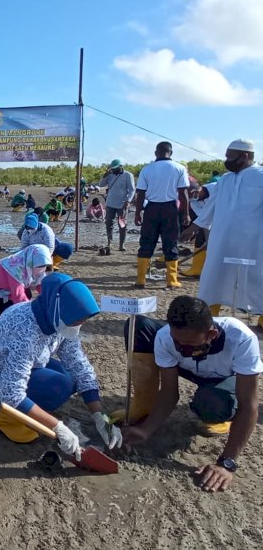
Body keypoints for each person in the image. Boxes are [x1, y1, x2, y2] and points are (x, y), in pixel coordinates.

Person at [0, 273, 122, 452]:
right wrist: (58, 427)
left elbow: (78, 363)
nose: (78, 325)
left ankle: (29, 410)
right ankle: (5, 418)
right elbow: (12, 393)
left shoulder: (57, 316)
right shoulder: (26, 331)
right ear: (59, 309)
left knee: (71, 378)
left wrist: (100, 417)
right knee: (58, 388)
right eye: (77, 321)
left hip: (23, 365)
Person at [121, 296, 260, 492]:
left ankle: (221, 413)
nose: (183, 351)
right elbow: (170, 393)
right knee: (140, 326)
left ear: (211, 334)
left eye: (190, 345)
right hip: (188, 370)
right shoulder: (165, 337)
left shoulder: (242, 339)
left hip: (221, 378)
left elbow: (249, 404)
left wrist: (226, 463)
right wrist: (146, 430)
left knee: (212, 404)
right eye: (178, 344)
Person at [180, 139, 263, 327]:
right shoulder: (225, 179)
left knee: (257, 278)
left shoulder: (261, 176)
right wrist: (193, 227)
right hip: (222, 240)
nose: (226, 160)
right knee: (214, 276)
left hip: (254, 242)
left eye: (229, 156)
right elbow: (211, 207)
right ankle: (210, 314)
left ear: (244, 156)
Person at [133, 141, 190, 289]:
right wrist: (186, 214)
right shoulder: (180, 168)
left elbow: (140, 194)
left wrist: (138, 213)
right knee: (170, 243)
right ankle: (171, 280)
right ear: (170, 153)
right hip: (170, 209)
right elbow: (183, 194)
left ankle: (140, 280)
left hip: (151, 208)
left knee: (146, 242)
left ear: (156, 153)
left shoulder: (147, 169)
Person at [99, 158, 136, 252]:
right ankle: (109, 243)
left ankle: (121, 244)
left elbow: (132, 190)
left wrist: (128, 201)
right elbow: (101, 185)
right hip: (110, 203)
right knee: (108, 223)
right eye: (112, 169)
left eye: (115, 168)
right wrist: (105, 175)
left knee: (122, 224)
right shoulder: (110, 174)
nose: (113, 170)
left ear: (120, 167)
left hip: (122, 204)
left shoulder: (128, 175)